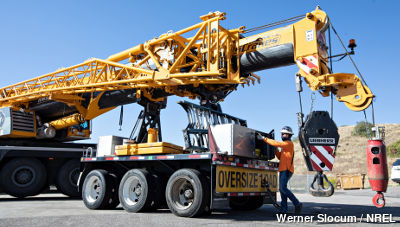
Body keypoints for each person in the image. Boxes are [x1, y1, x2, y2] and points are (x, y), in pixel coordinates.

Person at [258, 126, 302, 214]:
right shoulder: (285, 147)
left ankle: (297, 203)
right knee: (282, 190)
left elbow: (278, 143)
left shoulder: (289, 143)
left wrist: (264, 139)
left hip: (287, 170)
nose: (282, 135)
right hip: (283, 170)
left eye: (284, 134)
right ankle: (284, 209)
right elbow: (280, 157)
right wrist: (276, 150)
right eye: (282, 134)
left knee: (282, 188)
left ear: (289, 135)